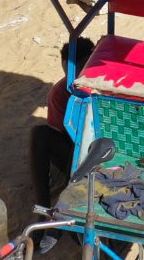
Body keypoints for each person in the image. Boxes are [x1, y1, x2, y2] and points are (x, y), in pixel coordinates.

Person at [31, 38, 97, 210]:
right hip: (79, 155)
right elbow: (69, 138)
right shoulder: (61, 93)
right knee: (39, 134)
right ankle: (43, 207)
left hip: (110, 153)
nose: (74, 82)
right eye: (70, 76)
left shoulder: (110, 86)